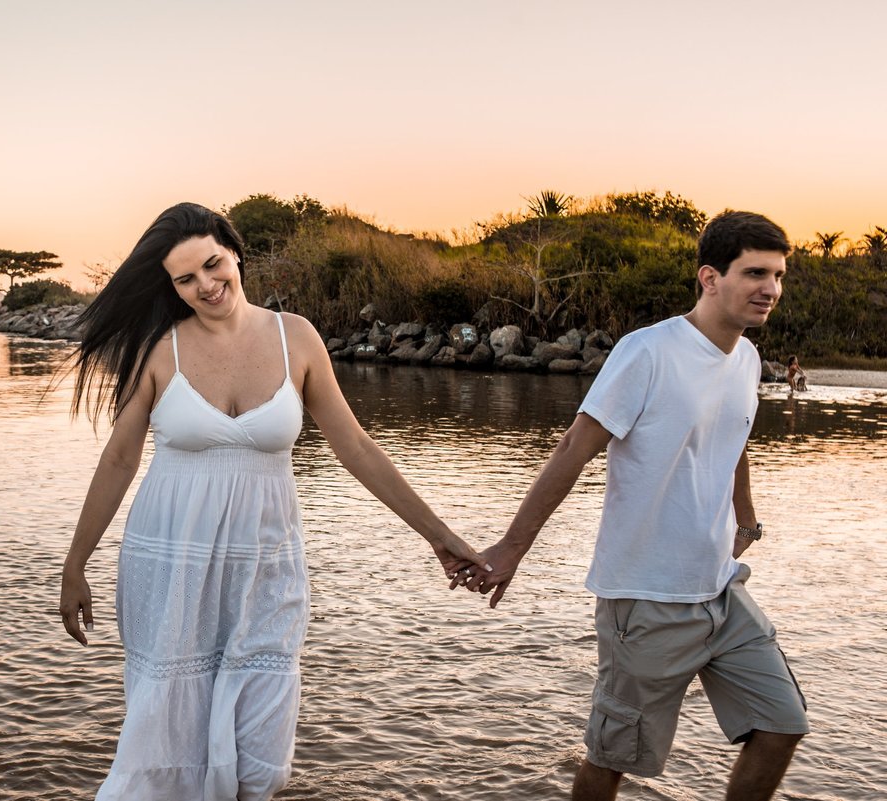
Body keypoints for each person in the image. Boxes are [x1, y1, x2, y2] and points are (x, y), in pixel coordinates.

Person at [59, 202, 487, 800]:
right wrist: (75, 565)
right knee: (166, 738)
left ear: (234, 252)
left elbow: (357, 448)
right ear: (172, 286)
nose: (207, 285)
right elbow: (120, 461)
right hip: (172, 562)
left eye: (213, 265)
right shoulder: (161, 349)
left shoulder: (297, 339)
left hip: (267, 565)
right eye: (186, 279)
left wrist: (439, 535)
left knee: (260, 757)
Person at [457, 210, 809, 800]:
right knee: (613, 758)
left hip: (720, 589)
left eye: (777, 275)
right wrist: (512, 548)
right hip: (644, 600)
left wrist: (746, 518)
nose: (770, 289)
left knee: (780, 723)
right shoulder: (647, 352)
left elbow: (734, 436)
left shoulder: (746, 358)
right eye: (754, 273)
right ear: (709, 277)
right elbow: (575, 447)